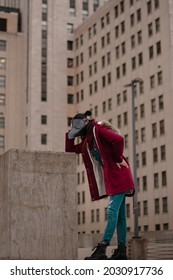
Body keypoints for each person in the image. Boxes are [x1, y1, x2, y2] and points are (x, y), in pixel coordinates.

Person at [65, 111, 135, 260]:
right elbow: (70, 150)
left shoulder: (98, 130)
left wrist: (117, 158)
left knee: (111, 211)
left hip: (120, 174)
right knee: (121, 217)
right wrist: (70, 133)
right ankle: (122, 251)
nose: (79, 134)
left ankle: (102, 248)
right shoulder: (88, 140)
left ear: (86, 124)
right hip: (114, 177)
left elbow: (119, 140)